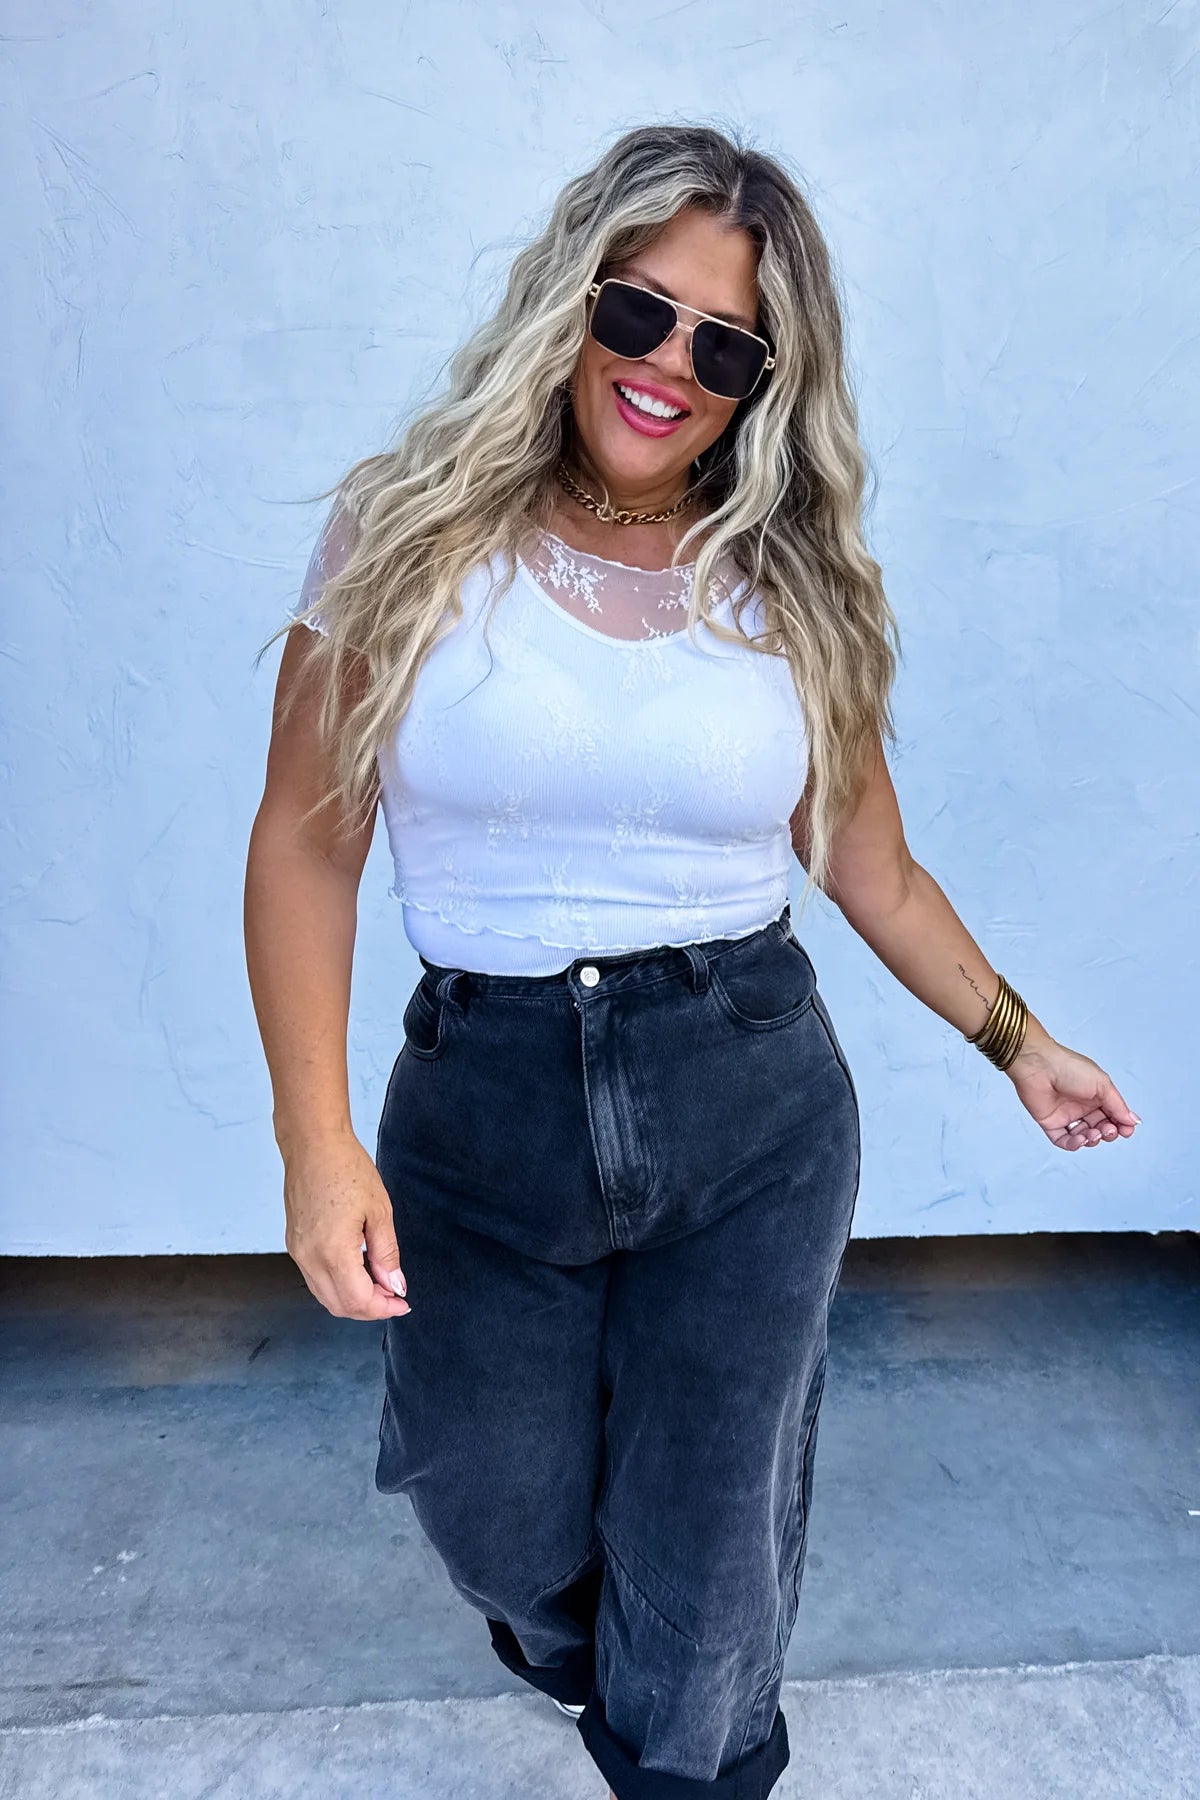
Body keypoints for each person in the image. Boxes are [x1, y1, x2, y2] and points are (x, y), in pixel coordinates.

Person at [245, 122, 1140, 1800]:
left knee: (713, 1539)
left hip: (748, 1098)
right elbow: (305, 841)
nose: (669, 367)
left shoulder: (791, 583)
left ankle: (692, 1756)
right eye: (640, 312)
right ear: (573, 297)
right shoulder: (407, 530)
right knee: (490, 1508)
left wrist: (1020, 1039)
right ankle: (591, 1656)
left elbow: (868, 862)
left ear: (764, 384)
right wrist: (316, 1141)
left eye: (725, 347)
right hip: (485, 1100)